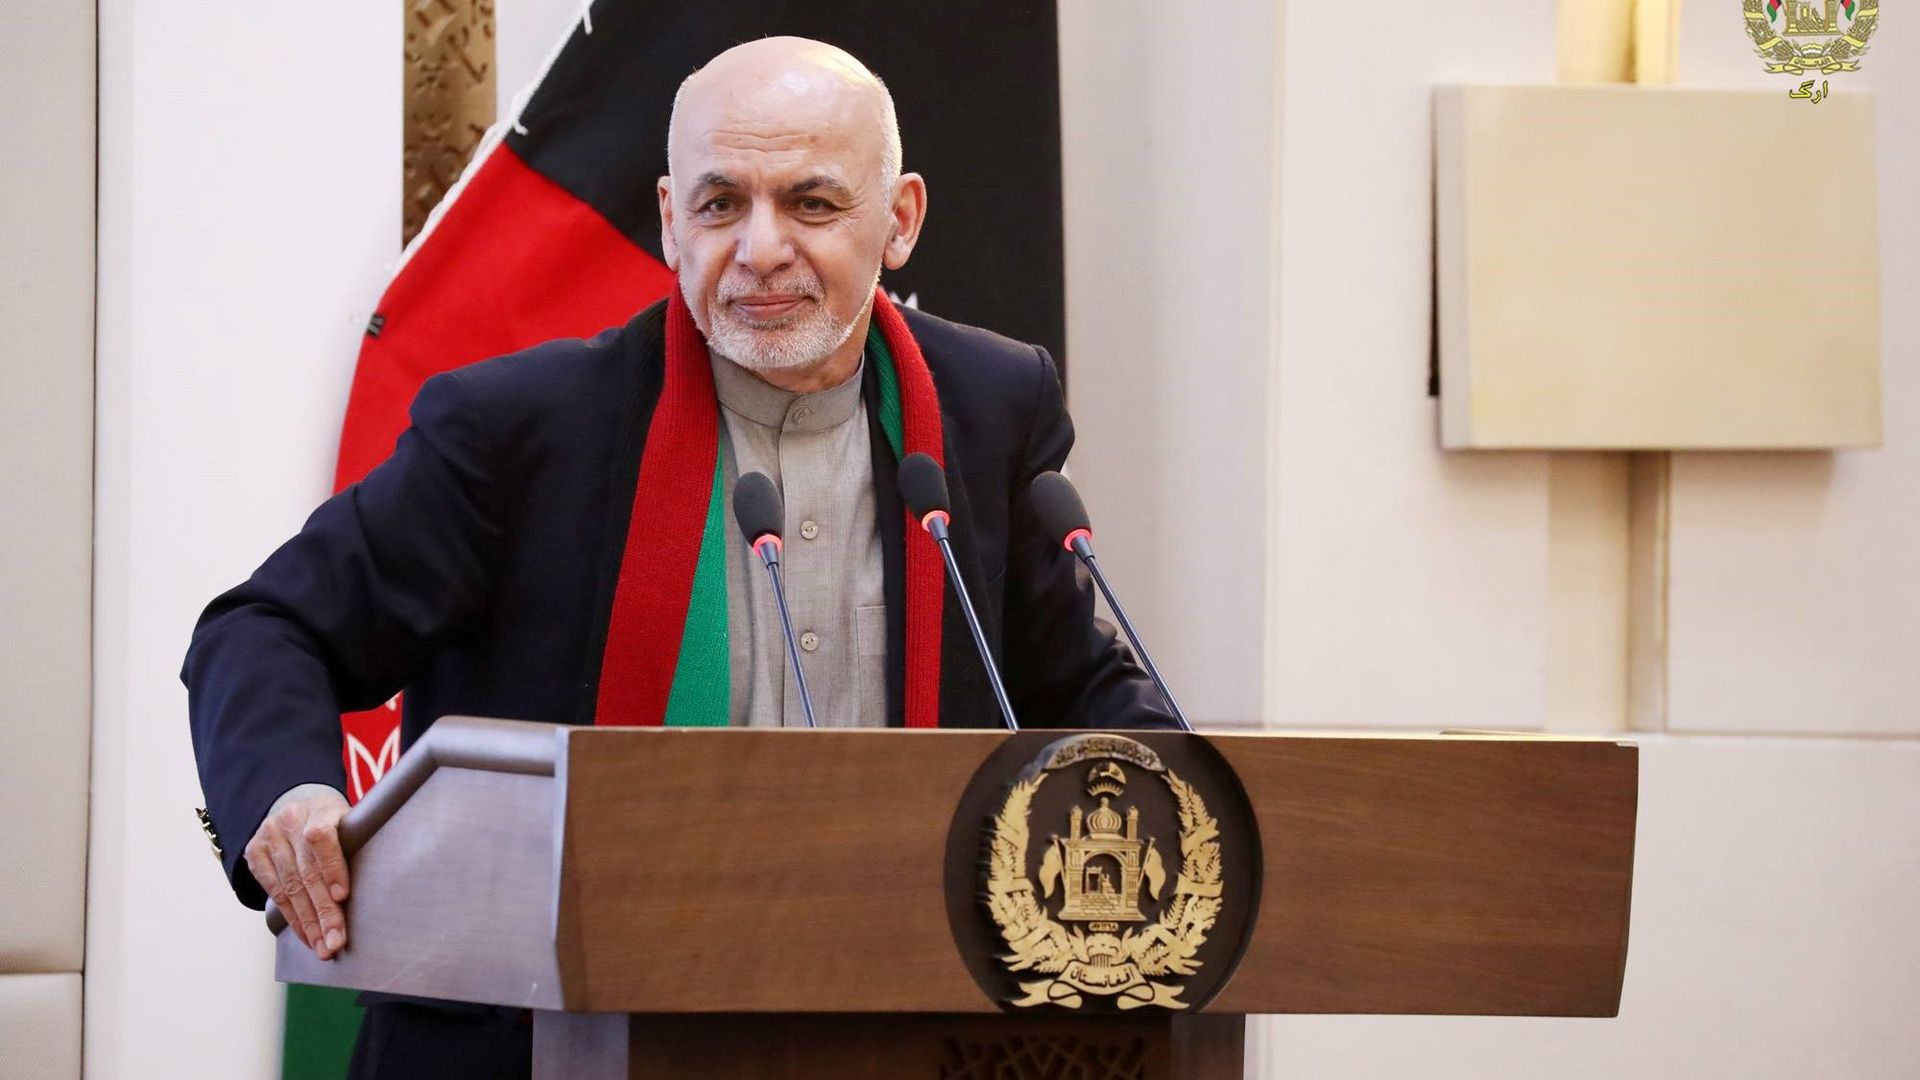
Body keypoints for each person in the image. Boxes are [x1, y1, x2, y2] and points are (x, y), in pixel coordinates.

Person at [183, 35, 1173, 1078]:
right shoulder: (520, 431)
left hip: (899, 1027)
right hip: (539, 1043)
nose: (759, 249)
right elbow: (267, 627)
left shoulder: (989, 409)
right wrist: (291, 794)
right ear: (669, 222)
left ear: (901, 221)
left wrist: (1207, 805)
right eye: (718, 206)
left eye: (811, 204)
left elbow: (1076, 682)